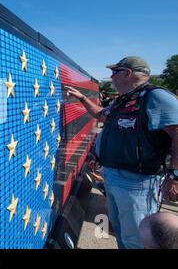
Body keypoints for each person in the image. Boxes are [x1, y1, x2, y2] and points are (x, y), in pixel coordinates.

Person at [64, 56, 178, 249]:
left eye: (115, 72)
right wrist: (82, 98)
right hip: (113, 177)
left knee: (137, 238)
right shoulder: (123, 100)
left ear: (128, 73)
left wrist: (175, 176)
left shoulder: (155, 96)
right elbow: (102, 116)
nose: (111, 77)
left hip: (137, 183)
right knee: (121, 232)